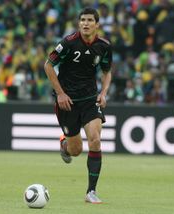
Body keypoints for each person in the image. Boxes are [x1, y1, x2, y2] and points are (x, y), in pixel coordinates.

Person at [44, 7, 112, 204]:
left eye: (90, 20)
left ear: (97, 24)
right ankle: (64, 144)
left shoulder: (104, 46)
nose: (85, 23)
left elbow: (107, 71)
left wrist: (104, 92)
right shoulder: (68, 43)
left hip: (90, 100)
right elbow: (48, 65)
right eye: (82, 20)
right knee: (76, 150)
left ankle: (91, 192)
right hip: (68, 102)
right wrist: (60, 93)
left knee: (95, 140)